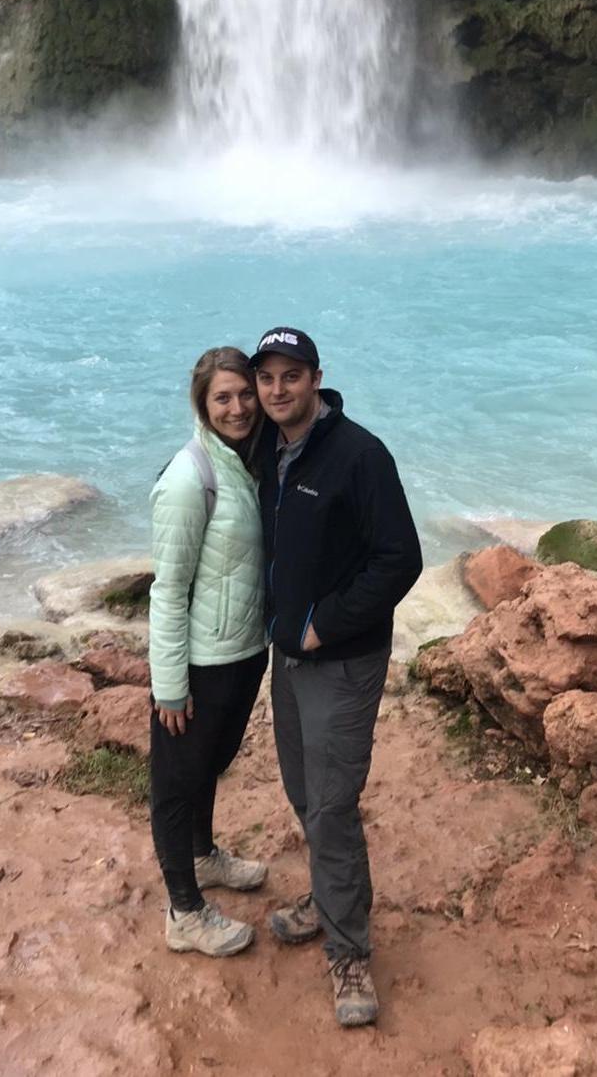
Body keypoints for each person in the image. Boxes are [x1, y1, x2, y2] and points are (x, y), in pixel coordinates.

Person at [250, 326, 423, 1027]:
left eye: (292, 376)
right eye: (268, 378)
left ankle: (349, 950)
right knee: (301, 787)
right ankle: (327, 899)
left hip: (343, 661)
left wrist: (327, 623)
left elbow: (400, 559)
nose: (278, 390)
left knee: (331, 803)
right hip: (286, 657)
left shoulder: (360, 455)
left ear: (317, 379)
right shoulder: (270, 450)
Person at [148, 346, 271, 957]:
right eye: (223, 397)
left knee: (209, 765)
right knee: (176, 782)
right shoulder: (189, 478)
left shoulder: (247, 463)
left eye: (245, 393)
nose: (239, 406)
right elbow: (167, 590)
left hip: (243, 651)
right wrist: (170, 684)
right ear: (202, 403)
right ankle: (184, 912)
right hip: (198, 661)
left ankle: (203, 856)